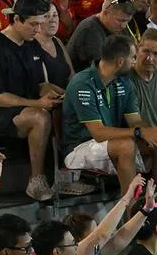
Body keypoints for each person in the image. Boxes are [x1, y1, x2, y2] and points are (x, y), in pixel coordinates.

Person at [0, 0, 57, 201]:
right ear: (15, 20)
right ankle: (36, 180)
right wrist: (37, 103)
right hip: (0, 112)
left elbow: (40, 84)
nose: (38, 30)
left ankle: (69, 174)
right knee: (40, 117)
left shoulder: (30, 43)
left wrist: (63, 94)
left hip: (27, 104)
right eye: (33, 25)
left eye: (40, 24)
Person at [62, 34, 156, 194]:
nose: (135, 62)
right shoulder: (82, 83)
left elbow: (135, 121)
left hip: (111, 143)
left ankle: (151, 204)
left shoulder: (123, 81)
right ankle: (131, 211)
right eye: (133, 57)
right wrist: (140, 132)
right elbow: (98, 133)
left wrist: (151, 134)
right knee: (126, 146)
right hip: (79, 148)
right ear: (120, 62)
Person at [66, 0, 136, 73]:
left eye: (127, 21)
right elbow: (101, 70)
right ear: (105, 13)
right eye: (120, 20)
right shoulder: (90, 30)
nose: (123, 25)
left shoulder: (120, 28)